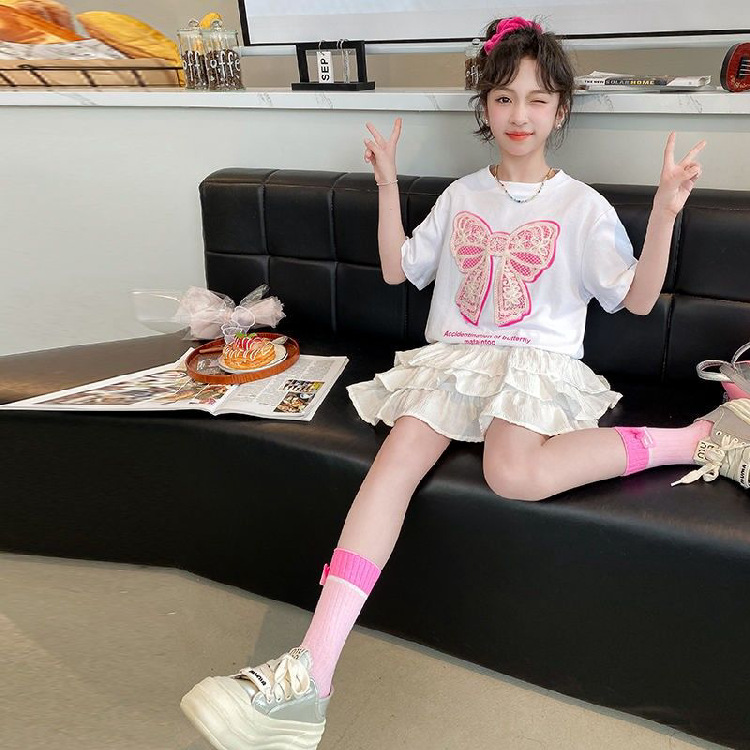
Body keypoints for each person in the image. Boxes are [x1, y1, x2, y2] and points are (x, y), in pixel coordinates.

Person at [180, 16, 750, 750]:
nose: (520, 115)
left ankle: (698, 438)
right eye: (504, 97)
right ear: (484, 106)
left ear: (561, 110)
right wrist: (387, 183)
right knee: (392, 466)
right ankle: (310, 673)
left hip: (535, 362)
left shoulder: (582, 207)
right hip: (453, 358)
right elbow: (398, 270)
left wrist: (667, 211)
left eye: (537, 99)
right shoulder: (459, 197)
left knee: (513, 472)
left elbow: (637, 302)